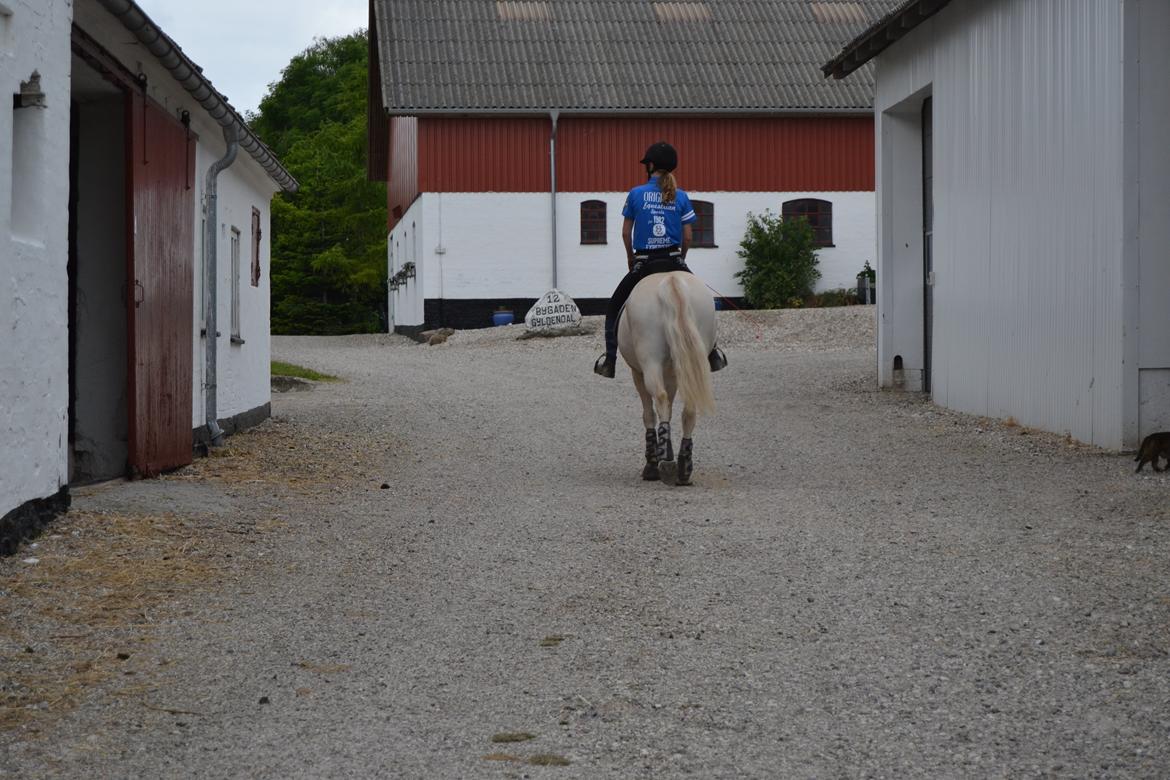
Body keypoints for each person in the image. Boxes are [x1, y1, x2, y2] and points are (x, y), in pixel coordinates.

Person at [593, 141, 728, 378]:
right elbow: (688, 235)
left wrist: (630, 259)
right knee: (704, 301)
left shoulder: (636, 194)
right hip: (674, 259)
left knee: (614, 306)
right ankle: (713, 352)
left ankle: (610, 359)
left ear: (651, 165)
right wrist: (681, 260)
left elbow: (626, 233)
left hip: (645, 261)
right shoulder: (682, 196)